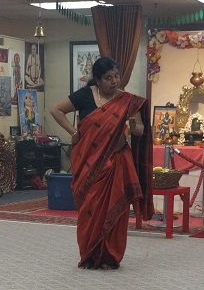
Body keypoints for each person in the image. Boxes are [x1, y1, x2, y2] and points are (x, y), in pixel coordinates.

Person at [50, 57, 154, 270]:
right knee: (91, 207)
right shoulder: (86, 95)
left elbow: (140, 131)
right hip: (90, 164)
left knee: (117, 212)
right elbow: (56, 110)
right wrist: (74, 132)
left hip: (117, 161)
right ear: (97, 80)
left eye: (116, 76)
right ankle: (89, 255)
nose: (114, 81)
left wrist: (135, 126)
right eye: (108, 78)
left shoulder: (128, 101)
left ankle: (110, 256)